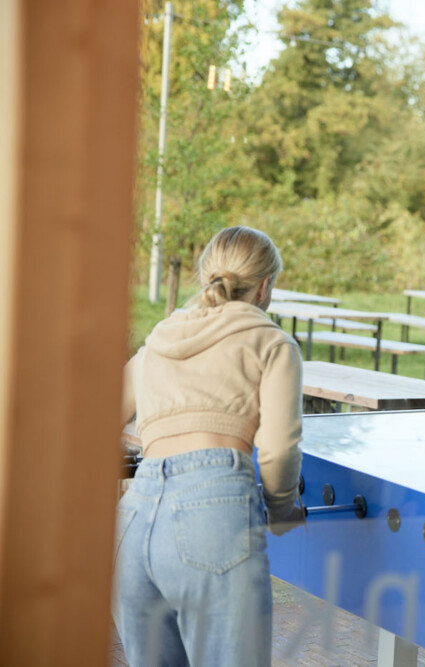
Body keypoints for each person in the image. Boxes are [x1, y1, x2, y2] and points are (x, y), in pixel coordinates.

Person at [115, 226, 305, 666]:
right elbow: (278, 449)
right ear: (265, 286)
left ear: (205, 277)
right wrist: (281, 509)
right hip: (214, 514)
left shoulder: (160, 340)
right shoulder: (272, 343)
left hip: (136, 518)